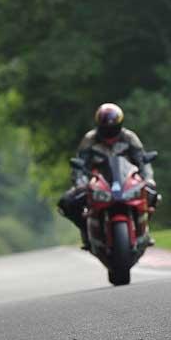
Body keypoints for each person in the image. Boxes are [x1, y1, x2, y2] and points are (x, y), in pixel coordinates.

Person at [57, 103, 158, 251]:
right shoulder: (89, 140)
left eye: (113, 128)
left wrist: (148, 179)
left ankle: (143, 229)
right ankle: (87, 231)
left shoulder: (129, 137)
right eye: (106, 128)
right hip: (99, 182)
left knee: (153, 195)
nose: (109, 132)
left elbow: (142, 161)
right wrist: (80, 183)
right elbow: (79, 165)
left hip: (127, 181)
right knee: (67, 203)